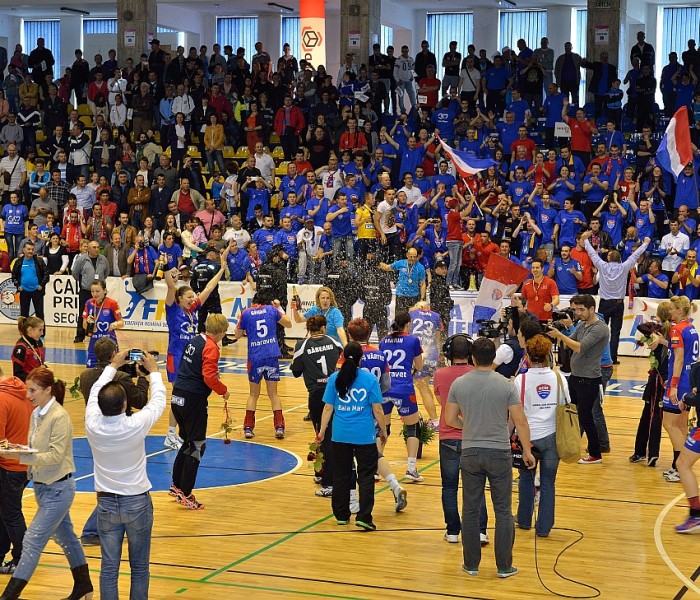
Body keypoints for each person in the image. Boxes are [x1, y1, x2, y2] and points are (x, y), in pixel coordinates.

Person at [444, 337, 534, 579]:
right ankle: (504, 566)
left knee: (471, 510)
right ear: (492, 358)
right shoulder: (506, 385)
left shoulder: (459, 383)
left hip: (471, 452)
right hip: (499, 453)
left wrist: (470, 427)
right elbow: (520, 421)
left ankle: (471, 564)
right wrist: (526, 450)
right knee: (503, 511)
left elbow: (450, 419)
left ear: (473, 358)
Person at [0, 367, 93, 600]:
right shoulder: (36, 413)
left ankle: (9, 596)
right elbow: (36, 448)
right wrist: (18, 449)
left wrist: (19, 457)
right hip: (42, 487)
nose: (28, 395)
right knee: (66, 538)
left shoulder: (59, 417)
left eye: (32, 390)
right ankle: (84, 585)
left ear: (47, 390)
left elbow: (54, 456)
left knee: (31, 541)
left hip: (59, 489)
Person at [84, 348, 164, 599]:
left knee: (109, 568)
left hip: (106, 504)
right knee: (139, 567)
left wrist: (112, 366)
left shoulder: (92, 424)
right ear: (126, 405)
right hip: (137, 503)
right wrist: (154, 373)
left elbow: (96, 390)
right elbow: (159, 401)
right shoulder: (134, 425)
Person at [318, 342, 387, 530]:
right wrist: (383, 431)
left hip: (340, 435)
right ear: (360, 359)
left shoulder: (334, 378)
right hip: (364, 435)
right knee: (365, 476)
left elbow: (328, 407)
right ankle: (364, 517)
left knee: (341, 475)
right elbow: (378, 409)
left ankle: (341, 515)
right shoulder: (369, 379)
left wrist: (322, 431)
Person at [163, 259, 225, 450]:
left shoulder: (192, 311)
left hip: (189, 358)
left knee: (186, 397)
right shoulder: (173, 309)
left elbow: (208, 288)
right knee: (178, 397)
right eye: (188, 296)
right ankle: (170, 434)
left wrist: (222, 268)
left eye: (192, 296)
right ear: (179, 298)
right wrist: (166, 267)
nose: (192, 299)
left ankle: (182, 431)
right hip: (175, 356)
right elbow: (171, 285)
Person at [169, 314, 230, 510]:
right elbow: (209, 377)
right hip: (193, 400)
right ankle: (186, 494)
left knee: (186, 441)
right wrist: (223, 390)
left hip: (178, 395)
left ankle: (177, 486)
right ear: (221, 332)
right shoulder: (211, 347)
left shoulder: (195, 340)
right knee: (197, 445)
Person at [434, 334, 489, 546]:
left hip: (448, 437)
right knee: (475, 486)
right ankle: (481, 531)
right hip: (473, 438)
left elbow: (441, 401)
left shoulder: (440, 374)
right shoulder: (477, 374)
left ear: (448, 353)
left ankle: (453, 531)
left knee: (449, 487)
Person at [514, 335, 568, 537]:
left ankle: (525, 520)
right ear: (548, 356)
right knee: (548, 482)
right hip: (553, 436)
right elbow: (566, 402)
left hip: (528, 437)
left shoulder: (522, 379)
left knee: (525, 479)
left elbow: (515, 410)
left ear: (527, 356)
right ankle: (544, 528)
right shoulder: (559, 377)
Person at [546, 294, 610, 464]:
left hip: (589, 378)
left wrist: (560, 334)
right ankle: (572, 446)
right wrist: (557, 333)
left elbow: (579, 347)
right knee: (572, 413)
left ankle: (596, 453)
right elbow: (569, 342)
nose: (578, 313)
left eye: (581, 309)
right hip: (577, 376)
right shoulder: (582, 325)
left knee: (586, 416)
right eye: (575, 309)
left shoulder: (600, 328)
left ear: (591, 309)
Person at [291, 316, 344, 497]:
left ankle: (328, 480)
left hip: (316, 396)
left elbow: (296, 371)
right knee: (330, 435)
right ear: (323, 327)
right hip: (335, 394)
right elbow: (343, 364)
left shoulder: (302, 345)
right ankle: (324, 474)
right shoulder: (334, 342)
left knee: (322, 436)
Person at [581, 230, 650, 363]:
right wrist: (646, 243)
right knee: (615, 332)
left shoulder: (602, 266)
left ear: (608, 258)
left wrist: (585, 241)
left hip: (604, 303)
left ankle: (599, 356)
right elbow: (635, 255)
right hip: (618, 303)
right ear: (619, 259)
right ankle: (613, 357)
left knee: (600, 331)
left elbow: (591, 254)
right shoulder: (624, 267)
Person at [236, 290, 293, 439]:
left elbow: (237, 336)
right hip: (271, 356)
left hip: (255, 357)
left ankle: (248, 428)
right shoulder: (271, 310)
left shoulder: (246, 313)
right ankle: (279, 427)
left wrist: (240, 322)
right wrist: (278, 307)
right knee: (273, 394)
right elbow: (288, 323)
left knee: (253, 394)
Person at [379, 312, 425, 482]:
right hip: (404, 388)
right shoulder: (413, 340)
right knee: (412, 427)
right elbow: (419, 366)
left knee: (382, 428)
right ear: (407, 324)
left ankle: (376, 467)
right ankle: (411, 469)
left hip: (384, 387)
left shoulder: (384, 341)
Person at [661, 295, 699, 483]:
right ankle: (683, 466)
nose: (670, 311)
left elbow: (679, 359)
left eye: (672, 308)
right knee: (681, 426)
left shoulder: (677, 329)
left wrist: (673, 385)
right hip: (689, 381)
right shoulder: (690, 327)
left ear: (681, 311)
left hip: (680, 381)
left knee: (670, 424)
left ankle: (679, 468)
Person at [630, 301, 672, 466]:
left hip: (659, 379)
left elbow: (642, 327)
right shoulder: (665, 331)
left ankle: (649, 454)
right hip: (661, 378)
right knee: (651, 414)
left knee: (653, 415)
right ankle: (644, 452)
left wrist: (658, 333)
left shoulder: (660, 332)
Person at [0, 365, 32, 576]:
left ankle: (22, 560)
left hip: (8, 466)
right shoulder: (22, 392)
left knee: (11, 515)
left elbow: (0, 442)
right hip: (24, 463)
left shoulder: (2, 399)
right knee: (6, 513)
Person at [72, 241, 109, 343]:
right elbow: (75, 273)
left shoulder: (103, 259)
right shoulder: (81, 259)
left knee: (101, 313)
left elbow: (106, 273)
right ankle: (80, 336)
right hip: (86, 290)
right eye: (94, 247)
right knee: (82, 313)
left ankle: (100, 335)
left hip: (100, 292)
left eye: (97, 247)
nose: (97, 249)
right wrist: (85, 281)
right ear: (88, 249)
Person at [82, 279, 124, 368]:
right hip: (94, 345)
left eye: (97, 291)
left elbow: (121, 323)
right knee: (91, 371)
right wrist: (88, 322)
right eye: (92, 291)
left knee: (111, 372)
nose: (95, 294)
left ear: (105, 291)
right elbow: (84, 325)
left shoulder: (112, 303)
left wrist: (115, 324)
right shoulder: (89, 303)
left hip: (109, 345)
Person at [379, 247, 427, 314]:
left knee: (412, 318)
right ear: (407, 255)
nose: (413, 259)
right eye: (411, 257)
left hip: (414, 296)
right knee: (400, 318)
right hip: (401, 295)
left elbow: (423, 284)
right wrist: (379, 263)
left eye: (415, 257)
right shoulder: (401, 263)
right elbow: (388, 267)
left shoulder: (420, 267)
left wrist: (422, 298)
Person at [10, 241, 47, 322]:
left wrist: (41, 285)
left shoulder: (39, 261)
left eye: (32, 249)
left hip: (37, 291)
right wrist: (18, 286)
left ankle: (41, 334)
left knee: (40, 314)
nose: (30, 251)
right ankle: (24, 334)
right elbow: (14, 276)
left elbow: (46, 274)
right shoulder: (18, 262)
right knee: (24, 315)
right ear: (24, 250)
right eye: (28, 249)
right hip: (24, 292)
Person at [11, 317, 45, 382]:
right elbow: (17, 374)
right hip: (26, 384)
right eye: (40, 330)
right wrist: (34, 382)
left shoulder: (39, 342)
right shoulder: (21, 348)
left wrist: (45, 369)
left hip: (37, 381)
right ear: (30, 330)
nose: (42, 333)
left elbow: (38, 363)